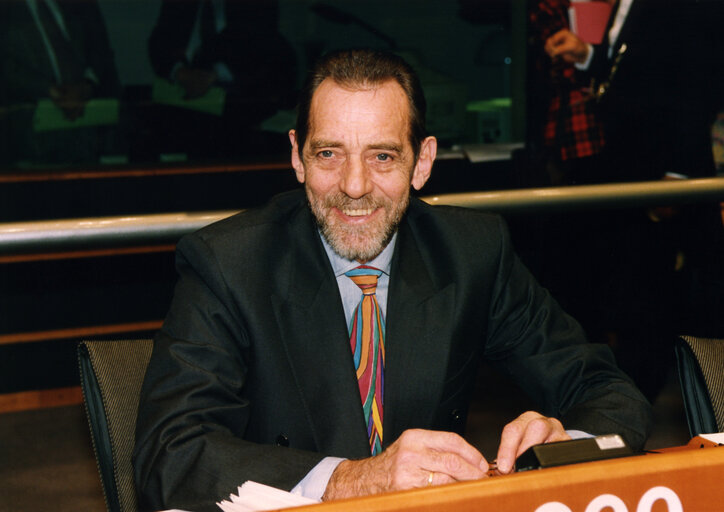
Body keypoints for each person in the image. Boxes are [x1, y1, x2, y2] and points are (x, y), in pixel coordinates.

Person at [133, 49, 652, 512]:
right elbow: (170, 453)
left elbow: (605, 389)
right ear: (297, 156)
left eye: (382, 156)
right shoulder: (228, 263)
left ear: (422, 162)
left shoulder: (471, 252)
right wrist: (349, 480)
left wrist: (567, 444)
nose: (354, 187)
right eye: (328, 153)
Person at [0, 0, 121, 165]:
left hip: (92, 141)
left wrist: (87, 85)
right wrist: (53, 91)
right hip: (27, 145)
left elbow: (101, 53)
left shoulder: (80, 5)